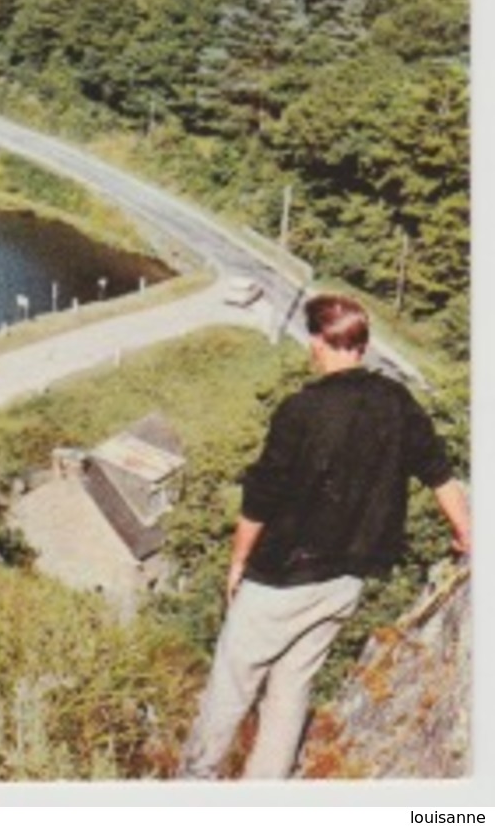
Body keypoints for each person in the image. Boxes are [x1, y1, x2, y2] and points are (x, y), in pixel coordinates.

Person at [180, 293, 471, 780]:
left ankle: (195, 782)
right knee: (292, 687)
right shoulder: (396, 402)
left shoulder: (301, 410)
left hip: (280, 579)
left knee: (232, 683)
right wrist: (467, 534)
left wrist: (237, 563)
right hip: (345, 580)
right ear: (362, 343)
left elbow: (260, 498)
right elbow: (440, 474)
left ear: (318, 341)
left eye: (311, 339)